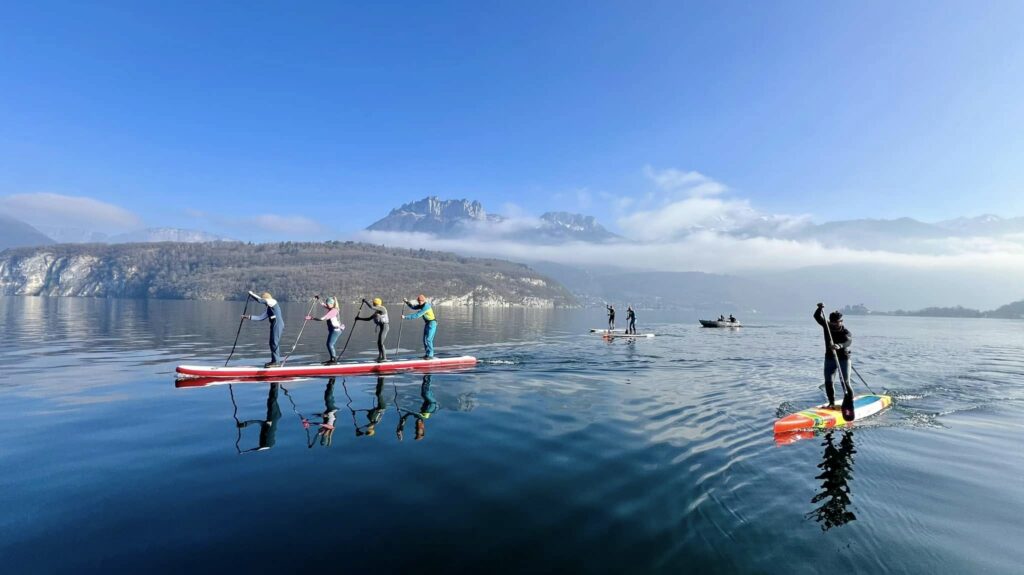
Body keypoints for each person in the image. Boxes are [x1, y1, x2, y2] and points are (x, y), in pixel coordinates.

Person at [814, 303, 852, 410]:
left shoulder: (845, 331)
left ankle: (848, 403)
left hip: (843, 358)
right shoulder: (827, 326)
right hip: (830, 358)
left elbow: (848, 342)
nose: (839, 323)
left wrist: (839, 346)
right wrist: (819, 309)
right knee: (828, 381)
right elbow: (817, 317)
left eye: (840, 321)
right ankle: (831, 403)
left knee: (845, 382)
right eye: (837, 322)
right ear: (832, 322)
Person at [246, 291, 284, 368]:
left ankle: (277, 362)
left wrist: (251, 294)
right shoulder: (269, 309)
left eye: (264, 300)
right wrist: (247, 317)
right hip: (274, 324)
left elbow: (260, 300)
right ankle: (274, 361)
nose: (265, 303)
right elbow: (260, 318)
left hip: (278, 324)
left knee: (274, 342)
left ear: (266, 298)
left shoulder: (272, 301)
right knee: (271, 343)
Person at [306, 295, 345, 364]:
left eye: (328, 304)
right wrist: (319, 299)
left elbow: (322, 319)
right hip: (333, 330)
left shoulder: (333, 311)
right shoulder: (331, 308)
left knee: (330, 344)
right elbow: (323, 304)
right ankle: (332, 359)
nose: (326, 305)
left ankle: (334, 360)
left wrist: (311, 318)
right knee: (329, 344)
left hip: (336, 330)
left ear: (331, 304)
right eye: (326, 304)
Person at [403, 294, 437, 359]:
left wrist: (405, 317)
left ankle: (430, 355)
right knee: (424, 340)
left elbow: (417, 315)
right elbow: (413, 307)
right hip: (427, 323)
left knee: (428, 339)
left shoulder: (426, 307)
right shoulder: (421, 305)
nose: (419, 302)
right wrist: (406, 302)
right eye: (418, 301)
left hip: (432, 323)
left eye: (420, 301)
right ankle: (427, 354)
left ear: (424, 301)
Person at [356, 297, 389, 362]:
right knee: (378, 343)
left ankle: (384, 358)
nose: (374, 304)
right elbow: (368, 319)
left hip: (385, 327)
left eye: (375, 303)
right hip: (382, 327)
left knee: (381, 343)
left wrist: (365, 301)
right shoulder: (376, 312)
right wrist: (359, 318)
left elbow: (371, 307)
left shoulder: (382, 308)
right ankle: (380, 357)